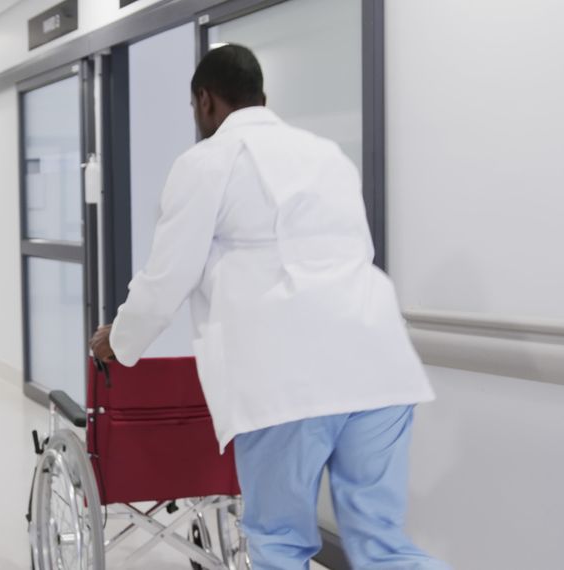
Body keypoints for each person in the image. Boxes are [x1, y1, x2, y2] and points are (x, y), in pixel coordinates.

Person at [90, 45, 448, 570]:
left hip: (287, 378)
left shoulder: (206, 162)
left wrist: (118, 340)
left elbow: (167, 276)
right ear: (264, 97)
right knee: (383, 546)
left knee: (278, 542)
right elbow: (355, 253)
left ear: (205, 101)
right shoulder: (327, 154)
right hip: (380, 366)